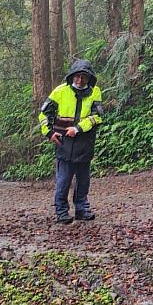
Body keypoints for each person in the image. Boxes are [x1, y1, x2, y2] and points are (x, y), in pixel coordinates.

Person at [39, 59, 103, 224]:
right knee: (64, 180)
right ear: (72, 76)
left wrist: (79, 128)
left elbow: (97, 116)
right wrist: (49, 133)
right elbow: (44, 115)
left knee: (83, 180)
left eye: (84, 77)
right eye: (77, 76)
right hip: (64, 142)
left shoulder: (95, 92)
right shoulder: (60, 91)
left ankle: (82, 209)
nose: (80, 80)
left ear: (89, 78)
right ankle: (61, 211)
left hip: (85, 141)